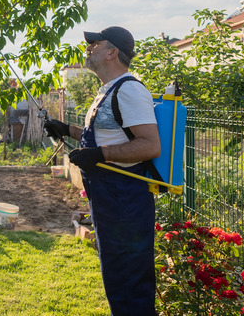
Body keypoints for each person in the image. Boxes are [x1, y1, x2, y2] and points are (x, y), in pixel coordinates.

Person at [44, 26, 160, 316]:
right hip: (109, 197)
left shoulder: (130, 90)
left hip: (125, 198)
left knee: (129, 279)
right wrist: (67, 130)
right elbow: (108, 136)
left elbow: (149, 145)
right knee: (117, 276)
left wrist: (100, 155)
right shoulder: (108, 90)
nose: (89, 48)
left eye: (95, 44)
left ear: (112, 53)